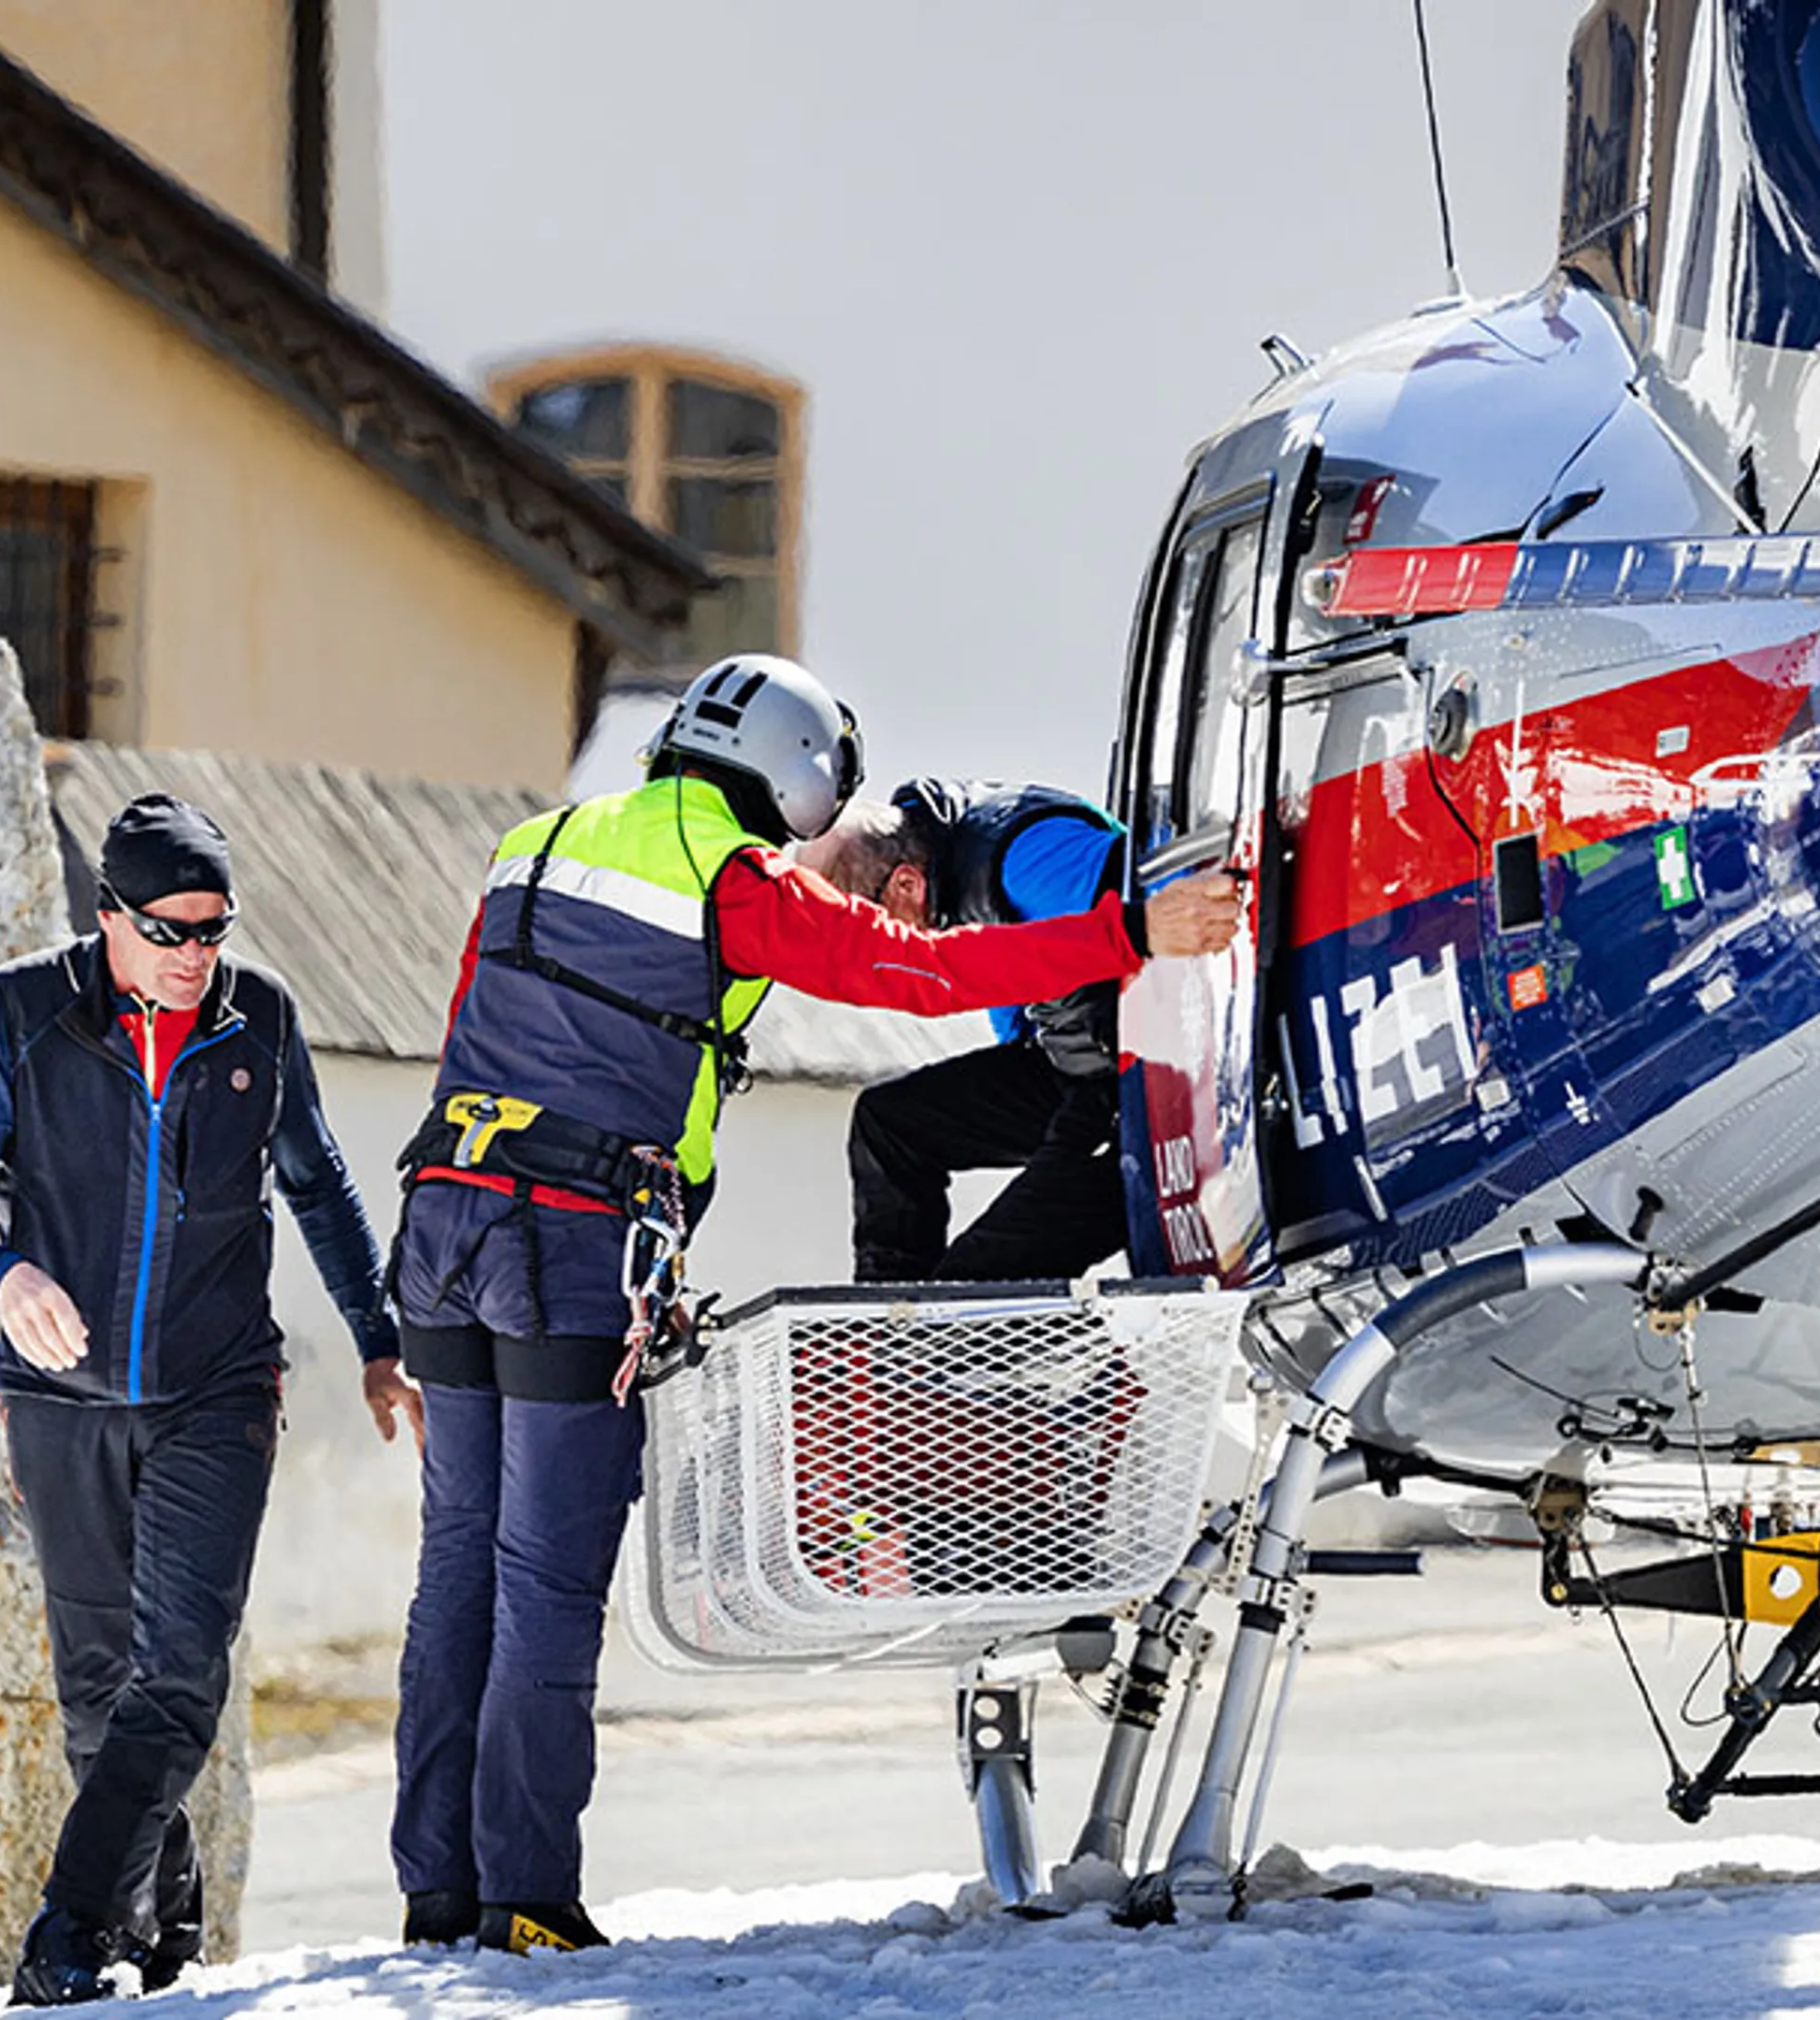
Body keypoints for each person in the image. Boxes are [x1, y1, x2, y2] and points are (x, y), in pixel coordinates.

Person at [383, 655, 1241, 1955]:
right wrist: (1130, 936)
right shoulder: (732, 875)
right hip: (566, 1246)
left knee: (455, 1572)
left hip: (442, 1222)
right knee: (546, 1582)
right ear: (794, 773)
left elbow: (465, 1034)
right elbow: (908, 974)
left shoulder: (530, 846)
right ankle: (528, 1903)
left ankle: (437, 1893)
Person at [0, 793, 421, 2007]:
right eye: (171, 930)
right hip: (60, 1398)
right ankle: (165, 1904)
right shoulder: (23, 1015)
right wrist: (5, 1273)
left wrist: (375, 1339)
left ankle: (67, 1932)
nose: (197, 955)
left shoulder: (259, 1020)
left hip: (218, 1391)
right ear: (109, 920)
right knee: (99, 1694)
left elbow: (319, 1187)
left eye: (214, 930)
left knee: (182, 1674)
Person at [802, 779, 1138, 1283]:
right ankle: (883, 1312)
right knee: (888, 1122)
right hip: (1070, 1071)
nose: (871, 958)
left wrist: (1059, 1166)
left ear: (906, 885)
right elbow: (1017, 1033)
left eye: (863, 934)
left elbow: (1150, 929)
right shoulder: (952, 890)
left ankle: (937, 1337)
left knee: (972, 1282)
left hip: (1139, 1092)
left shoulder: (1029, 855)